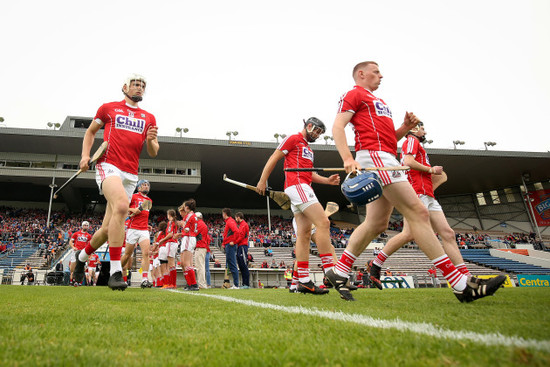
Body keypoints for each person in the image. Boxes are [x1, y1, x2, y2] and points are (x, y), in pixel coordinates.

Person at [326, 61, 506, 302]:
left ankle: (339, 271)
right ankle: (460, 284)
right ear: (361, 74)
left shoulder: (379, 102)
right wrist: (347, 158)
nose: (381, 75)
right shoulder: (354, 93)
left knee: (376, 223)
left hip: (386, 155)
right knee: (419, 214)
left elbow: (389, 138)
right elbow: (338, 126)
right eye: (376, 71)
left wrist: (404, 128)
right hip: (377, 158)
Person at [72, 74, 159, 291]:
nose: (139, 88)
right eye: (136, 84)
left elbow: (154, 151)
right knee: (122, 205)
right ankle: (114, 272)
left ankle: (81, 257)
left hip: (131, 174)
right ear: (125, 87)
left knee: (107, 229)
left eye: (143, 86)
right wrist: (85, 155)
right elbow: (91, 132)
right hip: (108, 165)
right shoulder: (108, 108)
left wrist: (150, 141)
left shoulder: (149, 118)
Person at [367, 122, 473, 289]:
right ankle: (376, 263)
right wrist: (431, 170)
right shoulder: (411, 140)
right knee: (408, 234)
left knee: (448, 233)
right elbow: (408, 161)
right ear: (415, 129)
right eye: (423, 128)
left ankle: (467, 277)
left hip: (428, 193)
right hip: (417, 192)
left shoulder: (416, 144)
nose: (425, 131)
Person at [256, 117, 340, 295]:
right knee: (323, 222)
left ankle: (303, 281)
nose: (317, 135)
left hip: (303, 185)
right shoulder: (293, 138)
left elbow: (310, 174)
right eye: (316, 131)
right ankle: (331, 270)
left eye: (320, 133)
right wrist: (262, 180)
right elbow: (274, 157)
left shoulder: (308, 149)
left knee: (304, 234)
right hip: (297, 186)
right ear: (308, 126)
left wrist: (327, 181)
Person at [122, 179, 153, 288]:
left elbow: (144, 215)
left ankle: (144, 279)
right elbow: (124, 207)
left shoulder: (149, 201)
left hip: (144, 230)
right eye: (144, 185)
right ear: (139, 187)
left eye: (148, 185)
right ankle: (115, 272)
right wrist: (132, 209)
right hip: (133, 229)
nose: (146, 186)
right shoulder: (133, 196)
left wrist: (147, 224)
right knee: (127, 255)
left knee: (146, 253)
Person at [178, 199, 199, 291]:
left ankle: (193, 284)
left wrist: (182, 224)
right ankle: (190, 283)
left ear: (187, 207)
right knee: (183, 263)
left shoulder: (188, 216)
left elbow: (186, 229)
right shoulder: (194, 216)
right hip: (190, 238)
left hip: (188, 238)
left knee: (186, 263)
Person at [221, 208, 240, 289]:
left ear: (225, 214)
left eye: (223, 214)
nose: (222, 215)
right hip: (228, 245)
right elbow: (227, 234)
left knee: (232, 264)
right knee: (231, 264)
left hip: (230, 245)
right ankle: (235, 284)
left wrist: (234, 241)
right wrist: (223, 243)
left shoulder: (230, 221)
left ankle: (236, 284)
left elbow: (237, 231)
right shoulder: (230, 221)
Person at [69, 221, 92, 286]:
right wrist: (73, 247)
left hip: (83, 252)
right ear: (82, 226)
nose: (86, 226)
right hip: (76, 251)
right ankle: (73, 280)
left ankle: (79, 281)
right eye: (84, 225)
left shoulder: (89, 236)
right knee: (72, 267)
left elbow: (89, 245)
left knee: (82, 267)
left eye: (87, 225)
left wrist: (89, 253)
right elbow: (70, 241)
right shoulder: (76, 234)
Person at [163, 209, 179, 289]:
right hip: (174, 243)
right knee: (172, 263)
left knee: (171, 263)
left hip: (171, 242)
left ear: (169, 215)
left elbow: (170, 234)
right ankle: (172, 283)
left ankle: (172, 283)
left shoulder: (170, 223)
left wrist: (162, 240)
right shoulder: (175, 223)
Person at [194, 212, 210, 289]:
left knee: (199, 266)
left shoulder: (199, 224)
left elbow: (194, 233)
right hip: (202, 247)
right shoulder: (203, 224)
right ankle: (202, 283)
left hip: (200, 247)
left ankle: (202, 284)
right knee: (201, 266)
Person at [235, 212, 251, 289]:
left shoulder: (243, 225)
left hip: (242, 246)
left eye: (236, 218)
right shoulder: (242, 225)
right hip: (240, 245)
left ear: (238, 217)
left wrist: (234, 242)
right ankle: (244, 283)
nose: (235, 219)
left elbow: (241, 236)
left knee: (243, 264)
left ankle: (246, 283)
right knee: (241, 265)